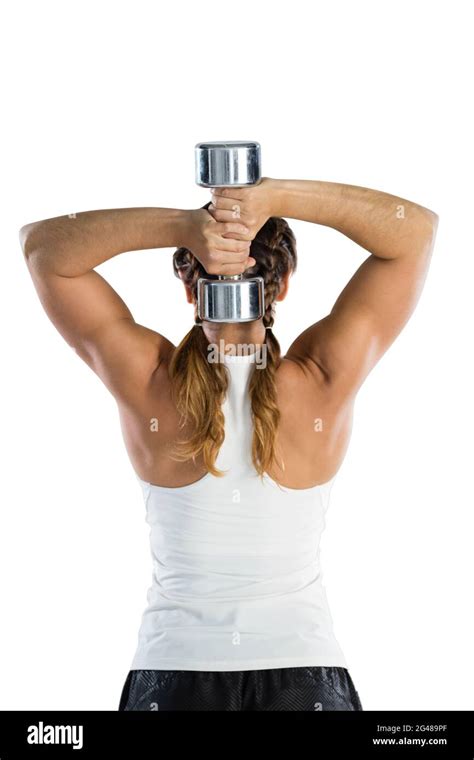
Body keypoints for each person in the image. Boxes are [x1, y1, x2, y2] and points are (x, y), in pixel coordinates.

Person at [19, 177, 438, 711]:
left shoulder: (148, 380)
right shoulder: (322, 379)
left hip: (173, 680)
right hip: (304, 679)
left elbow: (44, 249)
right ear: (283, 285)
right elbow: (414, 234)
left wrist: (185, 227)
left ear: (189, 287)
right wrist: (275, 198)